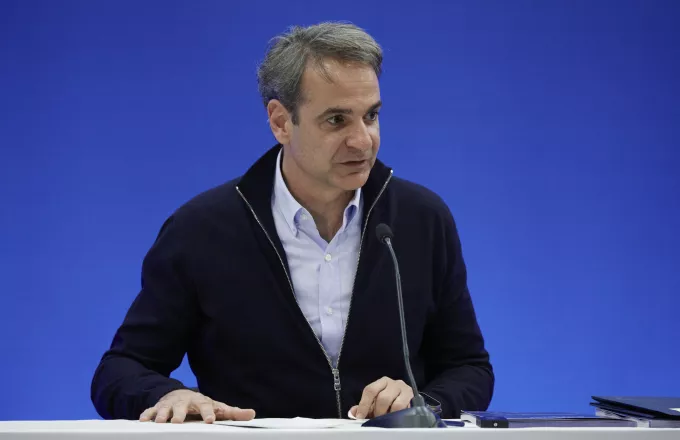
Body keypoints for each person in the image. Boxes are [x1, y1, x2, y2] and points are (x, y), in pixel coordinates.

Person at [91, 22, 494, 424]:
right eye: (336, 120)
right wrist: (168, 395)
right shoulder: (200, 230)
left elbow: (469, 367)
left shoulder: (422, 219)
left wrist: (425, 405)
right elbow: (120, 370)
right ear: (281, 122)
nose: (362, 140)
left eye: (371, 116)